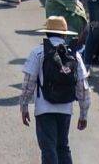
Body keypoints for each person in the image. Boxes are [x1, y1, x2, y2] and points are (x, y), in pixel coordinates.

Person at [19, 17, 90, 164]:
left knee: (48, 148)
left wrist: (24, 106)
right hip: (65, 108)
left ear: (46, 33)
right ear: (64, 35)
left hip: (44, 109)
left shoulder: (38, 52)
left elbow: (28, 83)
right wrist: (83, 114)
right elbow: (82, 87)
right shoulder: (74, 55)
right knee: (63, 147)